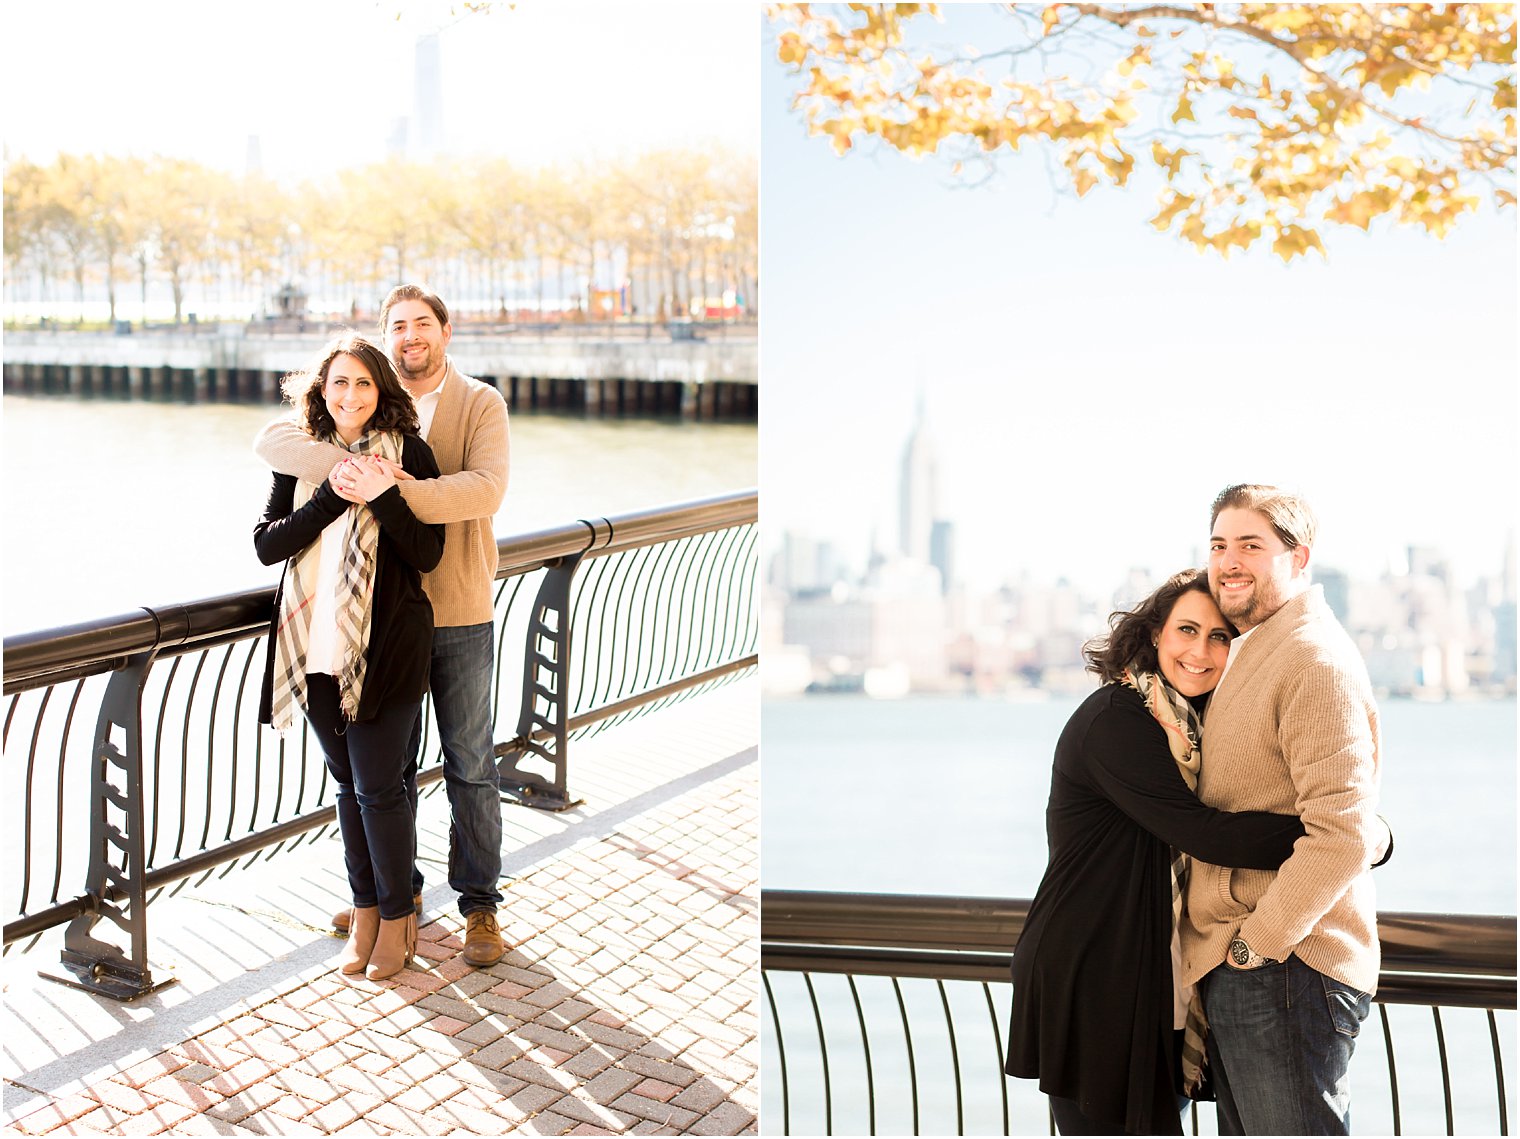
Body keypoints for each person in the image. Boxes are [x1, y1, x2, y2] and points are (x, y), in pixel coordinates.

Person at [256, 285, 511, 968]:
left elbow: (484, 490)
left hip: (449, 606)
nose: (410, 336)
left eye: (422, 323)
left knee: (468, 760)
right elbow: (273, 447)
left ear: (445, 331)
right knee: (380, 775)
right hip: (346, 633)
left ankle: (477, 905)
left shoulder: (475, 405)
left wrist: (386, 487)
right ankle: (395, 898)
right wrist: (345, 472)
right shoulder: (346, 413)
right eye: (398, 326)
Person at [1005, 570, 1306, 1136]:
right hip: (1094, 969)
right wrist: (1343, 835)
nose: (1200, 650)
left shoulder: (1193, 728)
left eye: (1219, 637)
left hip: (1155, 968)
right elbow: (1205, 832)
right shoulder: (1117, 719)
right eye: (1186, 630)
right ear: (1153, 636)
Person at [1182, 485, 1383, 1135]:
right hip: (1251, 970)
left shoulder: (1311, 657)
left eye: (1250, 545)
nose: (1229, 560)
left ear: (1299, 559)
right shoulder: (1252, 652)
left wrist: (1256, 945)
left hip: (1287, 967)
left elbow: (1344, 832)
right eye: (1218, 545)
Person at [254, 335, 443, 981]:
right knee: (347, 785)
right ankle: (364, 915)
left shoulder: (409, 453)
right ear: (322, 390)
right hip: (315, 648)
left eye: (363, 383)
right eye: (339, 383)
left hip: (389, 645)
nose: (351, 395)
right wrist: (333, 494)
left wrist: (383, 495)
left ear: (380, 390)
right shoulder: (304, 458)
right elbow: (266, 544)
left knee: (380, 788)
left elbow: (426, 552)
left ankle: (397, 921)